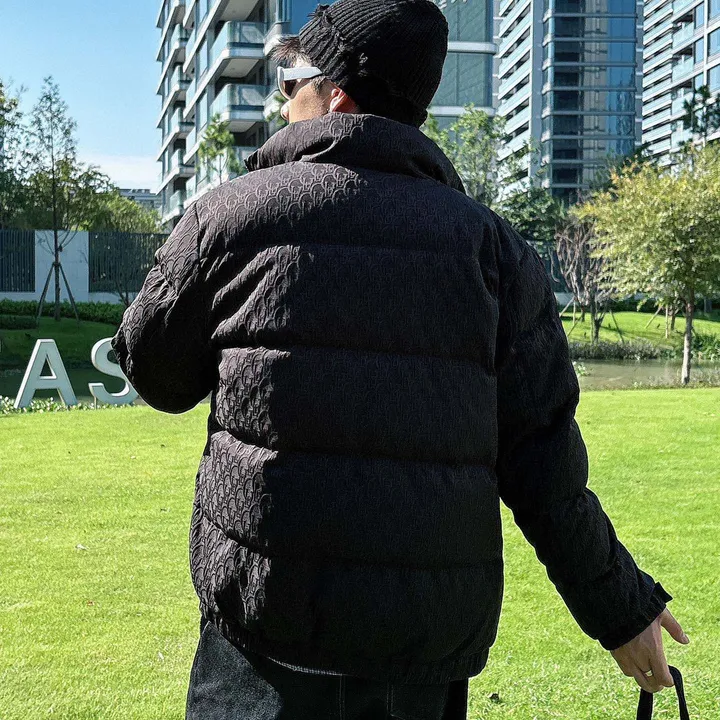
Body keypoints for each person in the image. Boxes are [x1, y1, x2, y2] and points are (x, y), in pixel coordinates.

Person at [111, 1, 690, 718]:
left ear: (336, 95)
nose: (284, 101)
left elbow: (155, 373)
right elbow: (544, 466)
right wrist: (621, 607)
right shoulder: (494, 251)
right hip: (421, 658)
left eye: (291, 81)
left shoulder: (229, 217)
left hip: (262, 646)